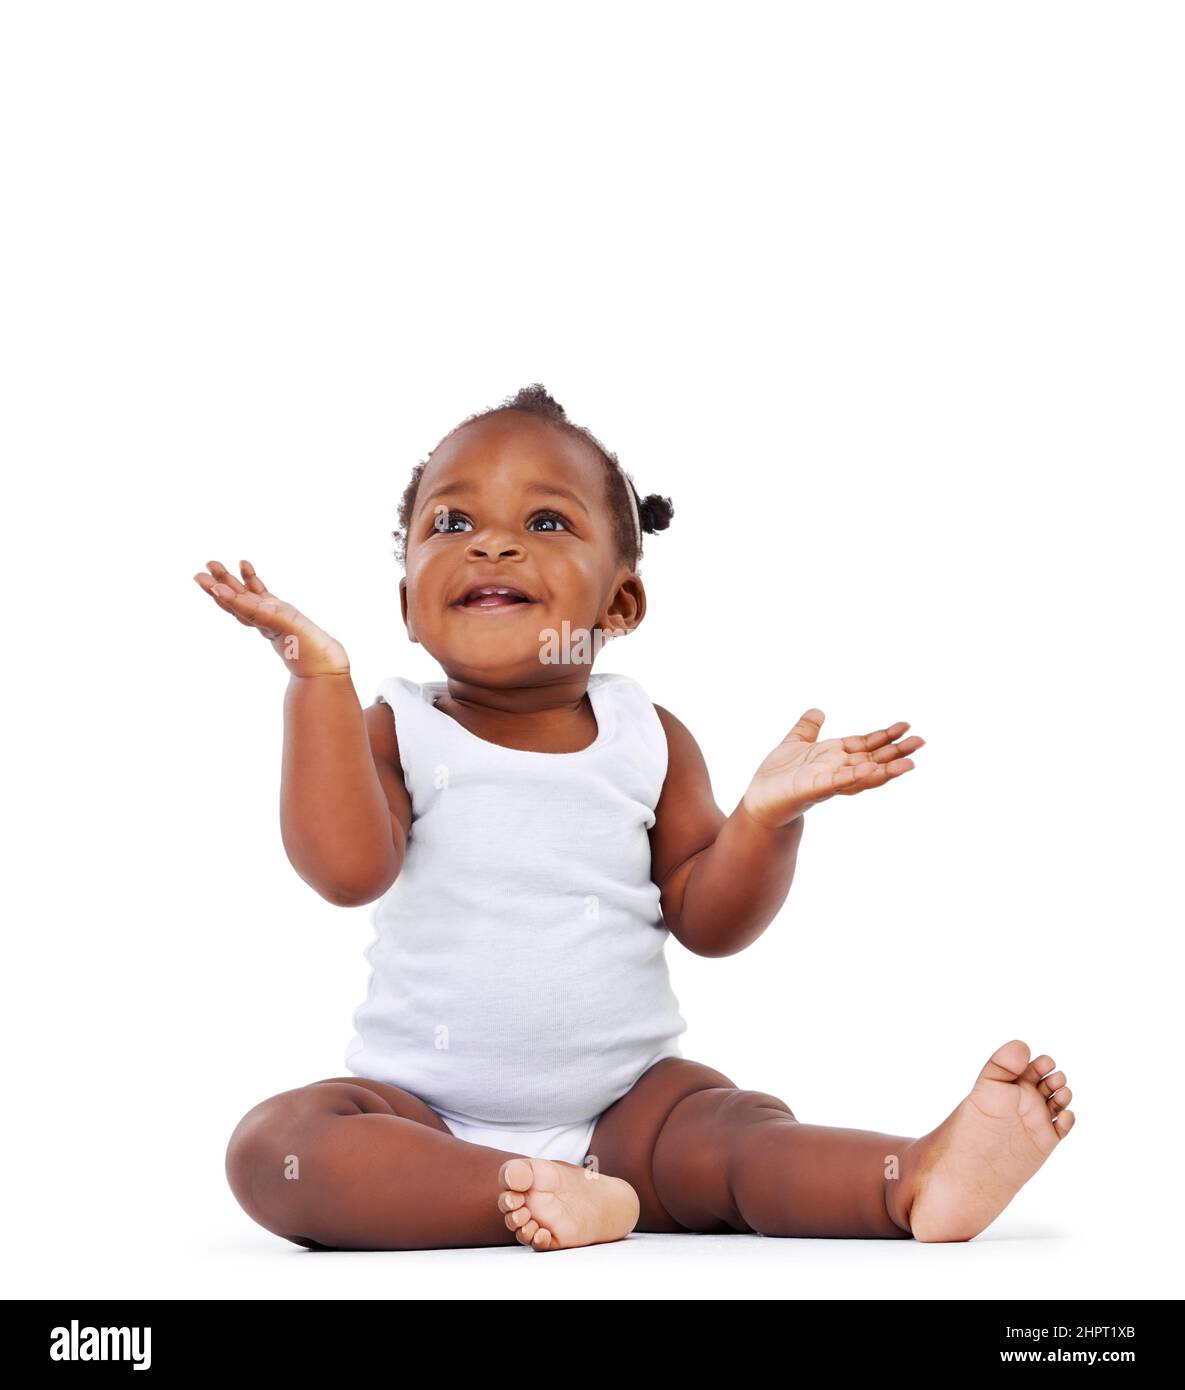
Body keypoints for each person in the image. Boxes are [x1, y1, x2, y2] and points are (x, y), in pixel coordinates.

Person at [198, 384, 1074, 1252]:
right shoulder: (397, 728)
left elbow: (710, 922)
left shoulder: (646, 737)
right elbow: (346, 871)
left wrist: (763, 821)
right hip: (420, 1119)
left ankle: (914, 1178)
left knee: (733, 1136)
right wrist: (317, 685)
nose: (491, 544)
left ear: (619, 605)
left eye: (545, 524)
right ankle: (525, 1195)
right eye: (450, 525)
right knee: (276, 1150)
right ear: (407, 606)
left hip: (630, 1116)